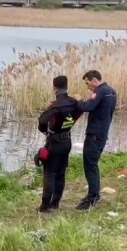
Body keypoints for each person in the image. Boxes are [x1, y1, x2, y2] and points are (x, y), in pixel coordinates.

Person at [36, 75, 83, 213]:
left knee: (50, 174)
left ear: (54, 88)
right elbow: (80, 111)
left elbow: (42, 122)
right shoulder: (74, 102)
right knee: (61, 173)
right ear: (67, 86)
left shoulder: (55, 106)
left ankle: (45, 207)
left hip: (55, 142)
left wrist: (47, 132)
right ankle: (55, 203)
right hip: (67, 141)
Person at [74, 70, 117, 210]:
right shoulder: (111, 91)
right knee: (93, 164)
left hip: (94, 134)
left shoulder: (101, 91)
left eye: (87, 83)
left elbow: (88, 107)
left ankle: (93, 197)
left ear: (93, 80)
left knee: (90, 165)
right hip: (102, 133)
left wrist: (79, 99)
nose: (87, 86)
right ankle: (94, 194)